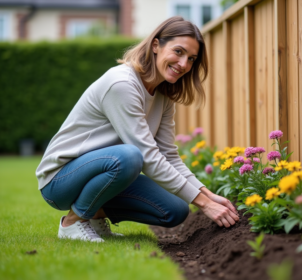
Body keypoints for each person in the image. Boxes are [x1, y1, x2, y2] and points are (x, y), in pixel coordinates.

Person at [36, 16, 239, 243]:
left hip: (104, 170)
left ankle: (93, 216)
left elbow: (168, 154)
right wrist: (204, 204)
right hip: (60, 180)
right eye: (178, 52)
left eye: (191, 58)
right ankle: (73, 222)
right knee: (131, 156)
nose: (184, 64)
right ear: (155, 45)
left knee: (176, 209)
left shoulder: (163, 94)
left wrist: (207, 195)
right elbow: (147, 156)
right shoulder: (122, 84)